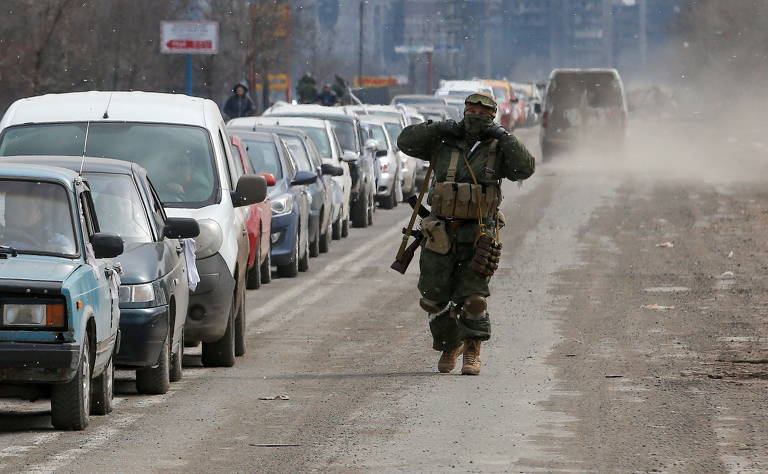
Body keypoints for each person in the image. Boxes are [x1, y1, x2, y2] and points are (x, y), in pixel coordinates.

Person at [397, 92, 535, 375]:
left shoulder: (497, 146)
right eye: (470, 110)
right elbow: (405, 142)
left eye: (483, 113)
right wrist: (438, 127)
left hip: (479, 232)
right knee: (432, 298)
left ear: (492, 117)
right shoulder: (445, 142)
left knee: (473, 297)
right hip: (440, 232)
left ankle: (473, 348)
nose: (475, 116)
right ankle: (451, 343)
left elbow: (525, 168)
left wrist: (505, 136)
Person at [2, 191, 75, 254]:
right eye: (14, 209)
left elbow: (69, 255)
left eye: (28, 209)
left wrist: (56, 250)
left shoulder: (58, 240)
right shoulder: (6, 243)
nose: (21, 212)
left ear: (39, 214)